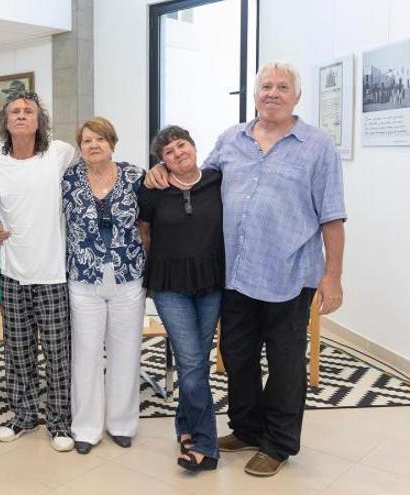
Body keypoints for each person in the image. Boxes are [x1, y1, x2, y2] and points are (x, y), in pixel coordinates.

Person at [145, 62, 347, 476]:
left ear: (297, 96)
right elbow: (195, 176)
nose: (272, 93)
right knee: (236, 357)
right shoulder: (231, 139)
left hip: (289, 275)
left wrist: (333, 277)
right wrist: (162, 169)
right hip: (235, 275)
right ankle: (247, 427)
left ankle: (277, 443)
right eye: (265, 86)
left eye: (282, 87)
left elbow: (332, 215)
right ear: (255, 94)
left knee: (286, 363)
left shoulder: (317, 145)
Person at [0, 91, 76, 452]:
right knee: (17, 351)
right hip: (12, 273)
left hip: (52, 273)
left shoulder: (60, 154)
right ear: (6, 122)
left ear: (39, 120)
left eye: (28, 111)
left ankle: (60, 422)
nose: (21, 116)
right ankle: (22, 416)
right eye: (15, 111)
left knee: (57, 353)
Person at [138, 125, 224, 471]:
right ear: (162, 161)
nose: (177, 153)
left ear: (193, 145)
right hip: (169, 283)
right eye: (168, 152)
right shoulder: (153, 190)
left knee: (197, 362)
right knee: (190, 361)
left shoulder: (217, 180)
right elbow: (144, 232)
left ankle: (185, 426)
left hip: (211, 281)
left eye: (181, 145)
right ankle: (206, 444)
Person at [62, 117, 146, 455]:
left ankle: (122, 423)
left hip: (128, 276)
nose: (93, 145)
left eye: (100, 139)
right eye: (86, 141)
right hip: (83, 278)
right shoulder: (67, 180)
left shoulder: (136, 176)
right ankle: (85, 427)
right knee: (85, 354)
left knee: (126, 352)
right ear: (79, 148)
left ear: (112, 142)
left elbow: (152, 220)